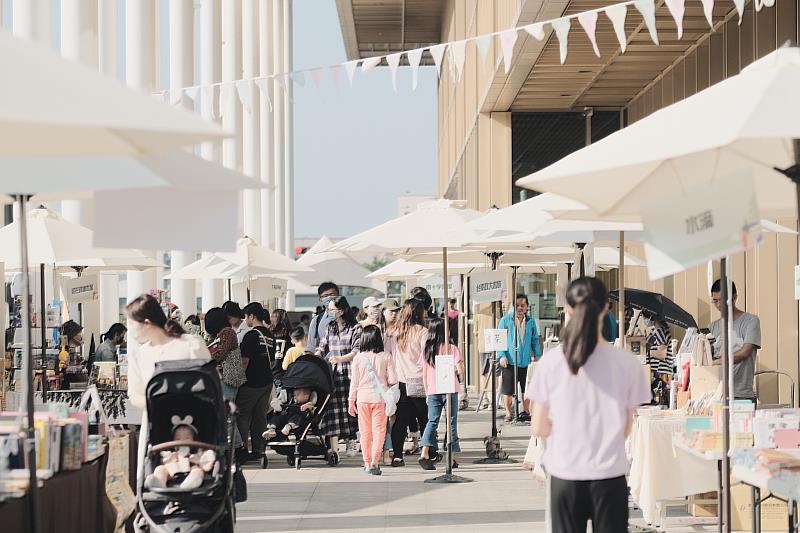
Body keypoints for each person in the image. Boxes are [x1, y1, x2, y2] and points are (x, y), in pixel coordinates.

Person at [530, 277, 651, 533]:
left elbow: (539, 427)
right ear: (606, 308)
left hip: (565, 474)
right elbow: (626, 428)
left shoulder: (550, 363)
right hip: (610, 475)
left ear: (568, 309)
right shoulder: (628, 363)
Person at [125, 294, 210, 409]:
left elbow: (210, 384)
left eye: (131, 324)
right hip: (155, 423)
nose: (128, 330)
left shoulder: (191, 344)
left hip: (192, 421)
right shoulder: (139, 355)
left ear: (147, 323)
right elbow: (134, 395)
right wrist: (161, 404)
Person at [315, 295, 362, 457]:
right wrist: (314, 357)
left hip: (351, 374)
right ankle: (334, 450)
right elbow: (321, 347)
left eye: (332, 309)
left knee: (351, 409)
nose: (329, 312)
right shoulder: (330, 328)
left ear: (341, 311)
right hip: (333, 375)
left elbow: (357, 351)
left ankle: (351, 441)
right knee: (333, 410)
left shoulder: (355, 329)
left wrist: (339, 358)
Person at [348, 325, 397, 476]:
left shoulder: (358, 358)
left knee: (365, 433)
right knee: (379, 432)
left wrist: (351, 400)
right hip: (380, 399)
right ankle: (375, 462)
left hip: (362, 399)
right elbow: (393, 379)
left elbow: (354, 382)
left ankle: (367, 463)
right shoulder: (386, 356)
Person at [388, 298, 429, 467]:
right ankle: (429, 452)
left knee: (400, 421)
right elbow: (426, 358)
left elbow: (391, 355)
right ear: (419, 313)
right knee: (425, 419)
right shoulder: (422, 331)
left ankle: (397, 455)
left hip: (401, 381)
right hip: (420, 380)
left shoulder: (395, 332)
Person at [418, 318, 463, 471]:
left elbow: (423, 375)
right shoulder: (452, 348)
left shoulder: (427, 350)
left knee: (432, 421)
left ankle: (424, 452)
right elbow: (460, 370)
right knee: (451, 422)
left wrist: (426, 392)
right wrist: (458, 369)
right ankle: (452, 458)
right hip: (450, 389)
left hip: (432, 390)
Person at [709, 279, 761, 401]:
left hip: (741, 394)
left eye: (722, 300)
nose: (718, 305)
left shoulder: (751, 321)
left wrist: (716, 361)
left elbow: (745, 352)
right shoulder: (712, 327)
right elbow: (706, 358)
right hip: (715, 394)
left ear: (734, 298)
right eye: (715, 301)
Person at [204, 307, 247, 453]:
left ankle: (237, 447)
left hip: (229, 378)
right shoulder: (220, 334)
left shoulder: (227, 332)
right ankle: (235, 446)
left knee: (226, 413)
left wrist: (203, 358)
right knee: (224, 413)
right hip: (224, 378)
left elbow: (219, 353)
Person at [237, 302, 274, 460]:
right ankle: (259, 450)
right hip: (267, 381)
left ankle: (243, 449)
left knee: (243, 416)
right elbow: (272, 360)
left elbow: (244, 361)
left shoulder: (251, 335)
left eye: (246, 316)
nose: (245, 320)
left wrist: (238, 380)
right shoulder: (270, 335)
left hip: (251, 382)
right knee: (260, 417)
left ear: (252, 316)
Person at [496, 294, 541, 422]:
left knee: (526, 389)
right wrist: (501, 355)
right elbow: (500, 340)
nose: (520, 308)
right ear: (513, 306)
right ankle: (508, 413)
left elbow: (534, 340)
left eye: (523, 305)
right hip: (509, 360)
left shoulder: (530, 322)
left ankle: (526, 411)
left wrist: (537, 355)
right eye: (517, 305)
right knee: (508, 390)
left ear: (527, 307)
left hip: (525, 361)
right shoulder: (505, 320)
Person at [144, 416, 217, 490]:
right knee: (160, 468)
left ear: (194, 439)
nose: (182, 441)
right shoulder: (171, 453)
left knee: (198, 471)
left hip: (190, 472)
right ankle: (159, 483)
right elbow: (163, 460)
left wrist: (201, 460)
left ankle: (190, 484)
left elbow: (206, 459)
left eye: (187, 438)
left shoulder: (197, 452)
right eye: (178, 438)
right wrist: (169, 459)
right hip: (171, 473)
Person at [307, 282, 340, 353]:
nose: (329, 298)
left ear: (339, 296)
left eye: (332, 295)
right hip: (323, 362)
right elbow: (310, 347)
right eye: (325, 296)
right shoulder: (316, 321)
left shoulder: (348, 318)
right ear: (320, 300)